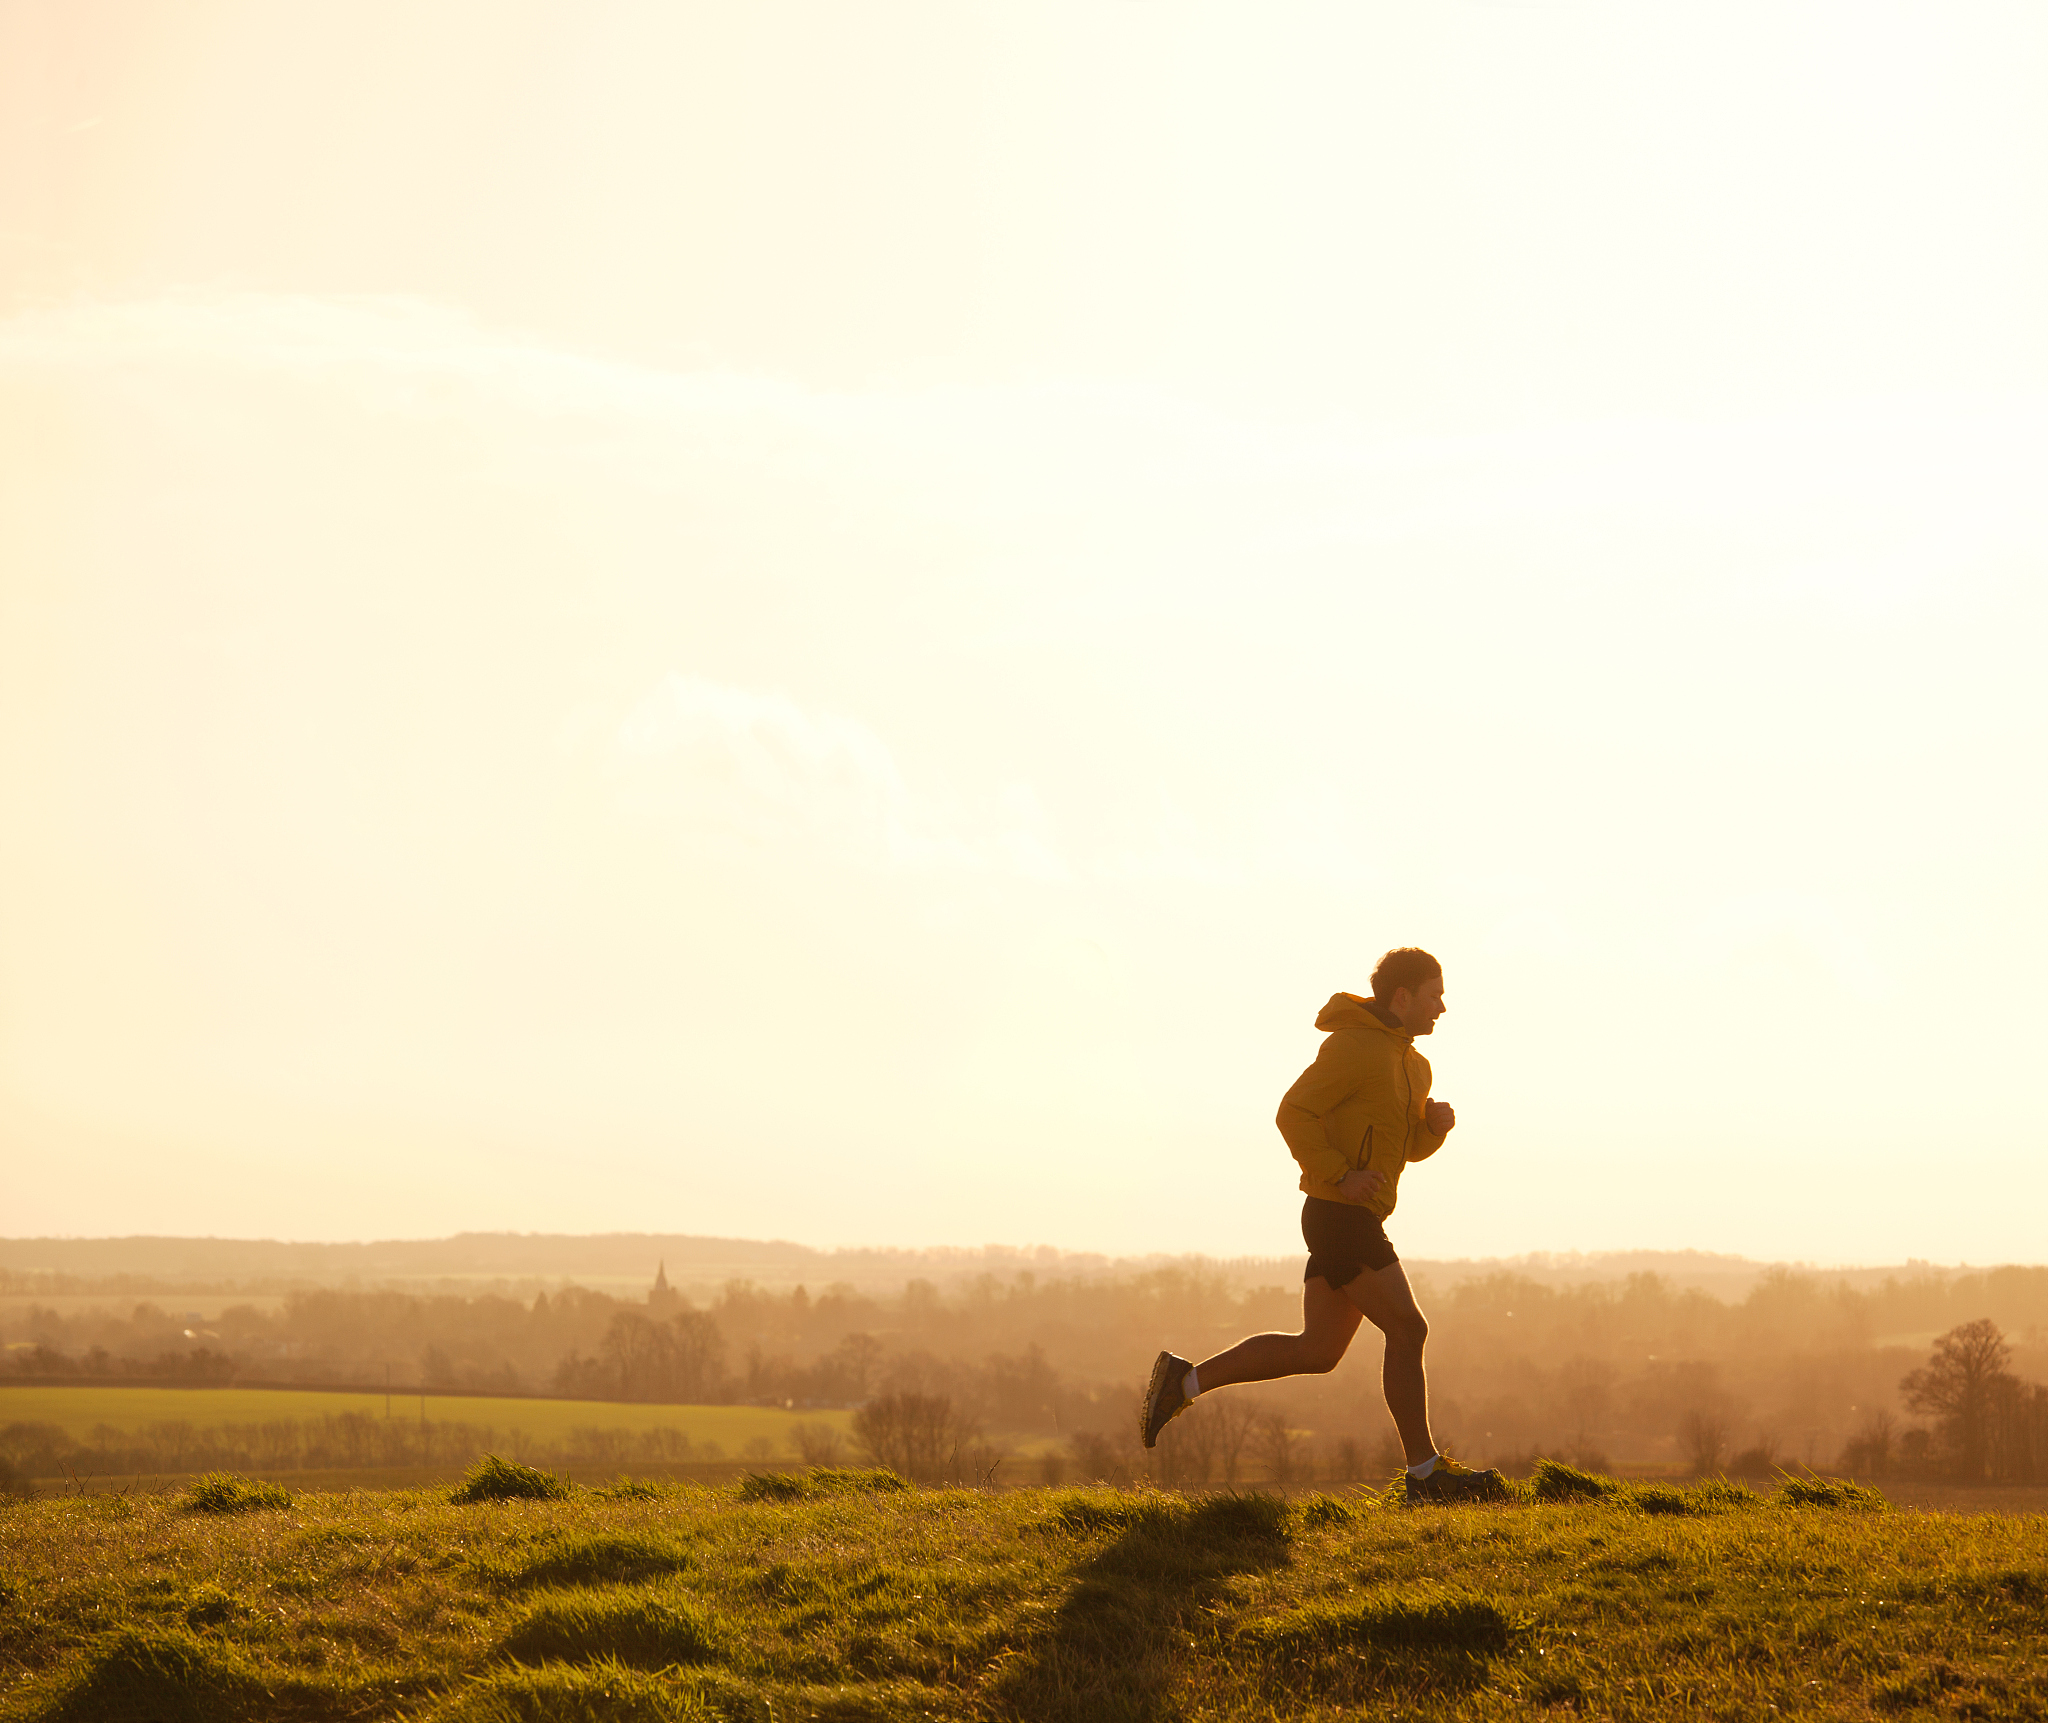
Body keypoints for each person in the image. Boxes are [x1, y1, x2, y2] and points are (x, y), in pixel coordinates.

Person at [1140, 947, 1506, 1503]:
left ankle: (1182, 1381)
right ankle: (1425, 1474)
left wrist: (1433, 1130)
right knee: (1409, 1329)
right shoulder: (1354, 1045)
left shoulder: (1415, 1065)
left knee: (1317, 1351)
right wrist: (1339, 1173)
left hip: (1355, 1215)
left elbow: (1403, 1147)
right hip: (1338, 1215)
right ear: (1402, 996)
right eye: (1435, 995)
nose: (1443, 1007)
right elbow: (1293, 1112)